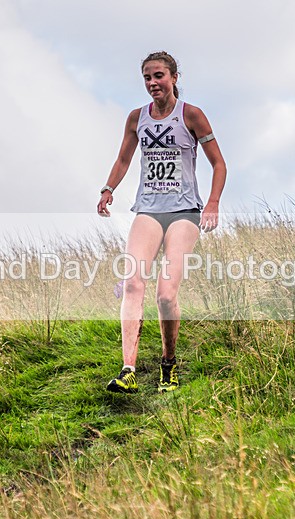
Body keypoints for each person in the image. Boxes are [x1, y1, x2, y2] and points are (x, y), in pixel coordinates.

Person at [97, 51, 227, 393]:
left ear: (173, 78)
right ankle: (128, 370)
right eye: (147, 78)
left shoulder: (192, 115)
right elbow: (124, 158)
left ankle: (168, 365)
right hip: (148, 210)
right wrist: (108, 189)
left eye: (158, 76)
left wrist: (212, 202)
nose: (153, 83)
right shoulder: (136, 118)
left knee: (165, 295)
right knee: (132, 283)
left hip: (184, 211)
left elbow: (219, 164)